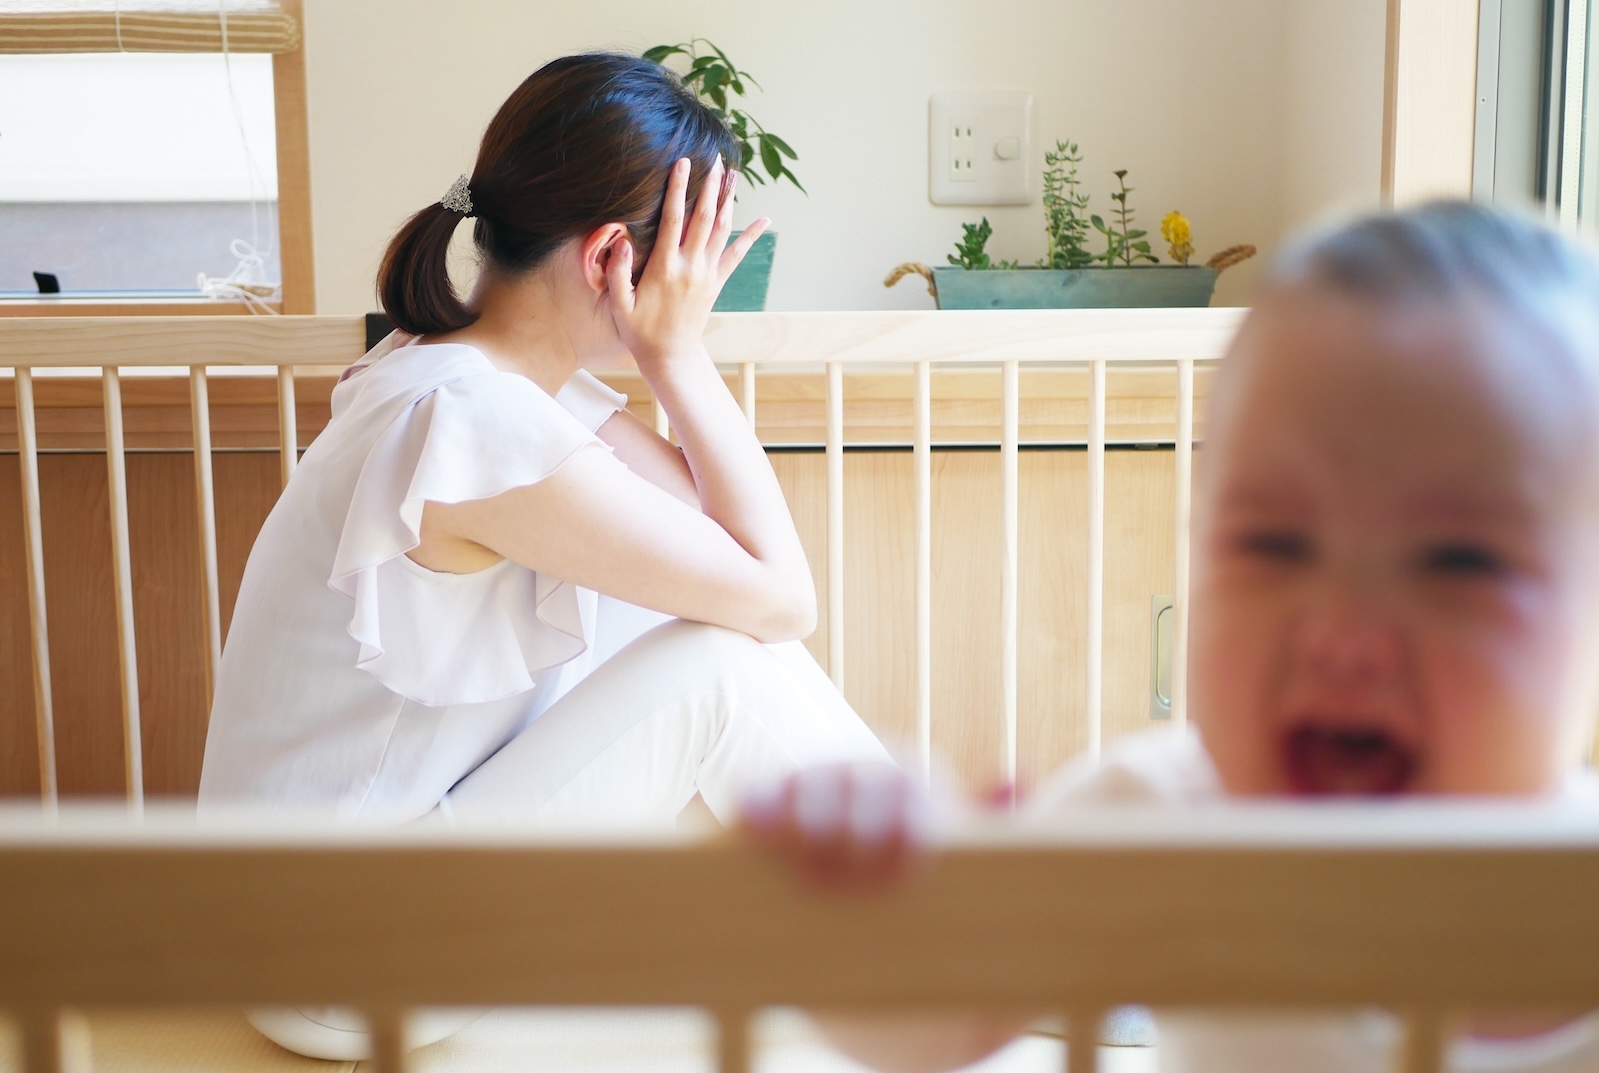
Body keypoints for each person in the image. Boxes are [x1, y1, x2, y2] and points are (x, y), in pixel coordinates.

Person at [742, 201, 1599, 1073]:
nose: (1343, 635)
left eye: (1457, 562)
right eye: (1273, 544)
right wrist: (880, 896)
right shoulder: (1152, 815)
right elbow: (933, 1029)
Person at [197, 52, 888, 1059]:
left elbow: (726, 551)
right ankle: (968, 936)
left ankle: (952, 915)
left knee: (702, 621)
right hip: (336, 964)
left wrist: (668, 355)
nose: (699, 292)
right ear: (613, 253)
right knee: (726, 667)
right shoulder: (476, 422)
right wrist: (679, 354)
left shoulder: (455, 373)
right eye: (689, 257)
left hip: (312, 929)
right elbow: (780, 597)